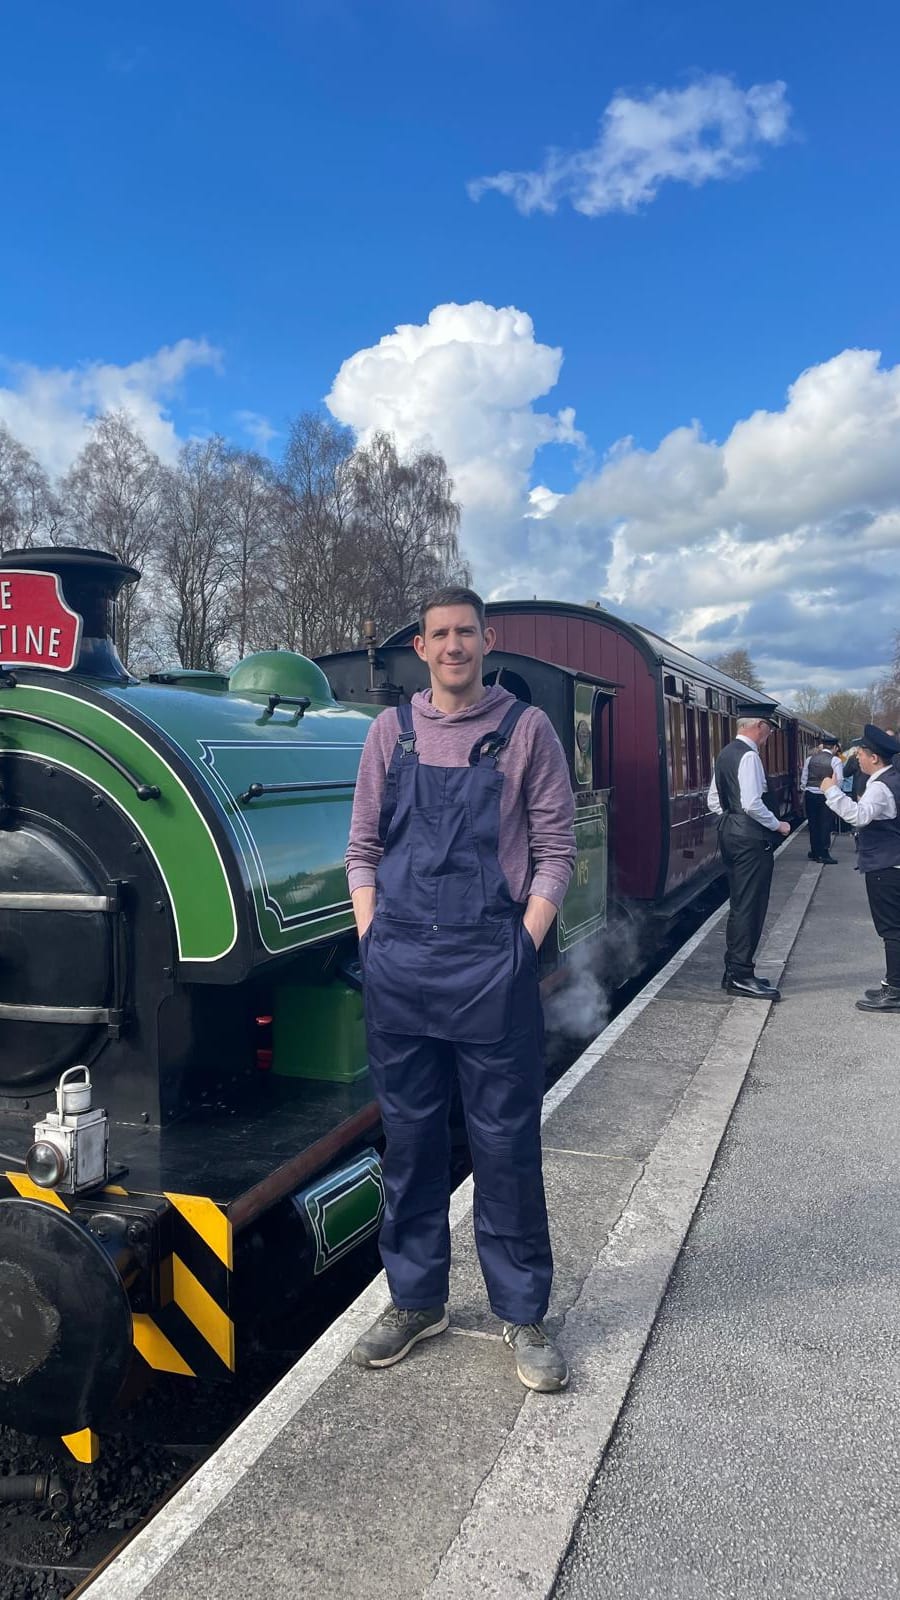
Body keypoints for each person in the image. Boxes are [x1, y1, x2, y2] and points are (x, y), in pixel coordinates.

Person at [345, 587, 576, 1391]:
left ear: (487, 640)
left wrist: (524, 943)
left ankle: (522, 1312)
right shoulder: (390, 732)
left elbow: (556, 850)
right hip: (400, 966)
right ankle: (416, 1301)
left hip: (491, 965)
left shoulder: (526, 730)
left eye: (465, 633)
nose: (453, 646)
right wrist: (373, 938)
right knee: (408, 1145)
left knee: (505, 1146)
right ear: (421, 646)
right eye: (439, 634)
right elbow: (362, 849)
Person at [707, 702, 791, 999]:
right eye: (768, 731)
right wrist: (778, 825)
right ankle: (741, 974)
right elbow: (753, 803)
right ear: (760, 727)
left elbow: (714, 801)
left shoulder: (725, 754)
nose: (767, 737)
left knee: (740, 903)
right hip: (751, 839)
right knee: (750, 905)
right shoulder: (750, 757)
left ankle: (734, 970)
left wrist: (732, 822)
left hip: (730, 835)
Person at [821, 724, 900, 1012]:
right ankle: (892, 984)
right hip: (892, 862)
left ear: (874, 757)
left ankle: (896, 991)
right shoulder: (894, 778)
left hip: (885, 865)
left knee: (891, 928)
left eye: (861, 755)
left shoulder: (880, 786)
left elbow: (859, 816)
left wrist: (830, 791)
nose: (858, 760)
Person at [800, 736, 843, 863]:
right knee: (825, 824)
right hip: (826, 795)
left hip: (810, 794)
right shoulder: (835, 761)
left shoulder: (810, 759)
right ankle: (823, 853)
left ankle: (814, 851)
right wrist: (834, 793)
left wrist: (805, 789)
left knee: (813, 824)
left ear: (823, 746)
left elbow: (804, 778)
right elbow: (839, 780)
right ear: (835, 747)